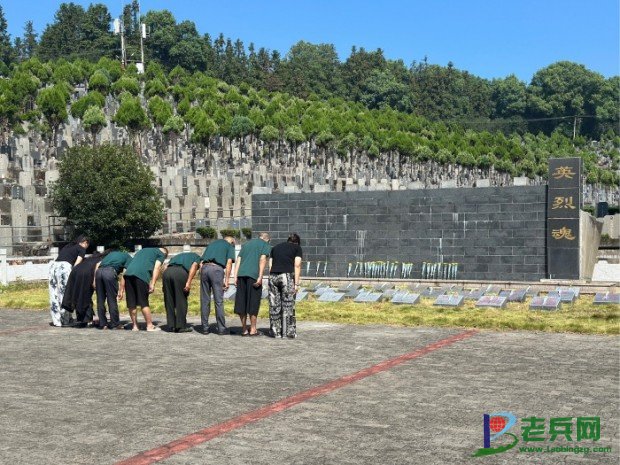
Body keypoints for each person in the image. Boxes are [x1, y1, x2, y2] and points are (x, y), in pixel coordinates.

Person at [233, 232, 271, 336]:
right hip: (253, 275)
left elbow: (238, 260)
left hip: (241, 275)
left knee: (241, 303)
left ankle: (244, 329)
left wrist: (235, 276)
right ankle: (253, 329)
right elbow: (262, 259)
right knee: (253, 302)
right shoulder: (265, 245)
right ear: (268, 240)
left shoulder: (246, 244)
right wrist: (260, 276)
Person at [123, 247, 168, 332]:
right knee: (143, 302)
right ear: (165, 254)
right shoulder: (161, 254)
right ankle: (149, 326)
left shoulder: (142, 250)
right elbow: (157, 268)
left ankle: (135, 326)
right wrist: (153, 283)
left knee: (131, 302)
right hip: (141, 275)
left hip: (128, 274)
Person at [48, 235, 89, 327]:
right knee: (66, 293)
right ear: (85, 243)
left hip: (53, 266)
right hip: (64, 268)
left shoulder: (68, 246)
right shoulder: (81, 249)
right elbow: (76, 264)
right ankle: (65, 320)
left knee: (54, 293)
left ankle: (56, 320)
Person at [268, 233, 303, 339]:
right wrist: (296, 283)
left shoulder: (275, 248)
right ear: (297, 242)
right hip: (286, 276)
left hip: (273, 276)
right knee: (288, 305)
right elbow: (297, 265)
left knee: (274, 305)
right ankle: (288, 333)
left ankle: (275, 332)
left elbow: (270, 264)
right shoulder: (297, 248)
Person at [200, 236, 236, 335]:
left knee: (205, 300)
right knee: (218, 301)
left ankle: (205, 328)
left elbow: (201, 262)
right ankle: (221, 329)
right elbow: (229, 263)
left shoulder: (211, 244)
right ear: (232, 242)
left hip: (205, 268)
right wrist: (227, 280)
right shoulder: (229, 246)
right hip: (216, 270)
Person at [61, 251, 107, 327]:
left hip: (75, 271)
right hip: (85, 274)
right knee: (85, 296)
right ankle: (87, 319)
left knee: (79, 295)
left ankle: (83, 318)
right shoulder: (100, 260)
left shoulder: (90, 258)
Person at [162, 250, 201, 332]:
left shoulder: (177, 256)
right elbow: (194, 266)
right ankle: (180, 326)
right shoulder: (196, 257)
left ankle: (171, 325)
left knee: (169, 299)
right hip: (180, 273)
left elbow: (165, 266)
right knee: (181, 299)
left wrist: (164, 283)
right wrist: (188, 282)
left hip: (167, 272)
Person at [94, 249, 132, 330]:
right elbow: (125, 275)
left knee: (100, 299)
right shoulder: (128, 257)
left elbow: (98, 264)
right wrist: (121, 290)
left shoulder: (110, 254)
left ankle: (103, 324)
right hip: (109, 272)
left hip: (98, 272)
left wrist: (94, 280)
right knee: (111, 299)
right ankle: (115, 324)